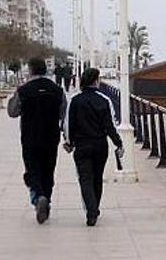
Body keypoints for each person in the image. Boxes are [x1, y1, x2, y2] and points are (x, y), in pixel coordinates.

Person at [7, 57, 66, 224]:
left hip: (30, 137)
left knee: (32, 169)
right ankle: (46, 198)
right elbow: (63, 113)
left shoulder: (24, 90)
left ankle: (39, 196)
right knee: (48, 170)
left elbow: (12, 112)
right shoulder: (57, 90)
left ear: (31, 70)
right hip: (51, 137)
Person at [66, 68, 123, 226]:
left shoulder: (75, 100)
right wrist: (118, 143)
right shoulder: (104, 100)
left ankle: (91, 211)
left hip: (82, 145)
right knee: (97, 178)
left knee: (85, 178)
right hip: (100, 146)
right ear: (96, 81)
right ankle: (94, 207)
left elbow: (68, 124)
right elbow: (110, 125)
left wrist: (69, 142)